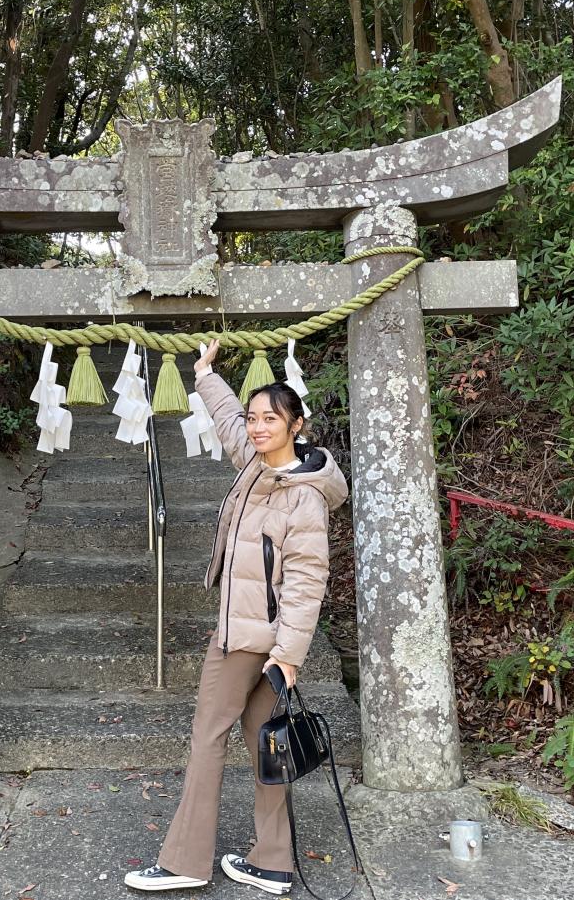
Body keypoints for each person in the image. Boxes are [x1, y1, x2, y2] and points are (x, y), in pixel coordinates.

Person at [125, 341, 349, 895]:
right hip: (254, 635)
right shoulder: (254, 466)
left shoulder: (307, 499)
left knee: (207, 736)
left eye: (270, 419)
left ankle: (185, 860)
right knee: (264, 738)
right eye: (254, 418)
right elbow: (226, 419)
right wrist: (204, 373)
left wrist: (288, 656)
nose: (256, 427)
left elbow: (305, 584)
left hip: (254, 641)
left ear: (297, 424)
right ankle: (273, 862)